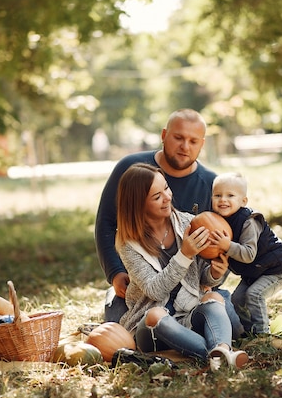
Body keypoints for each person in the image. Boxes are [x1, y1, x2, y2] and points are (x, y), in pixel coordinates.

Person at [95, 108, 235, 325]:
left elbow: (224, 240)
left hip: (190, 289)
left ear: (202, 144)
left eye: (193, 141)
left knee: (227, 318)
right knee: (121, 325)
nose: (184, 147)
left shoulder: (212, 185)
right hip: (144, 287)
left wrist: (215, 274)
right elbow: (106, 223)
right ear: (163, 135)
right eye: (178, 138)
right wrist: (115, 272)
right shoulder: (130, 168)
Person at [116, 164, 248, 368]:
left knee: (214, 297)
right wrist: (184, 254)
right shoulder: (128, 243)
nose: (168, 197)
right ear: (138, 204)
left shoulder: (189, 222)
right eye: (156, 196)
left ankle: (220, 350)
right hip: (155, 327)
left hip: (189, 313)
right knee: (155, 315)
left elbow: (202, 279)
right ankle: (217, 355)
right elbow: (155, 291)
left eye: (166, 188)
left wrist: (214, 273)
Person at [208, 172, 282, 336]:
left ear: (243, 201)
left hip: (275, 269)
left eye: (230, 195)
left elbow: (248, 254)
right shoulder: (220, 222)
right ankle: (249, 332)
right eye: (217, 195)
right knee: (237, 299)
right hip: (255, 271)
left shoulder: (249, 221)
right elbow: (226, 259)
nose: (223, 200)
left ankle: (263, 334)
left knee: (254, 294)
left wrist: (227, 245)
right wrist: (214, 283)